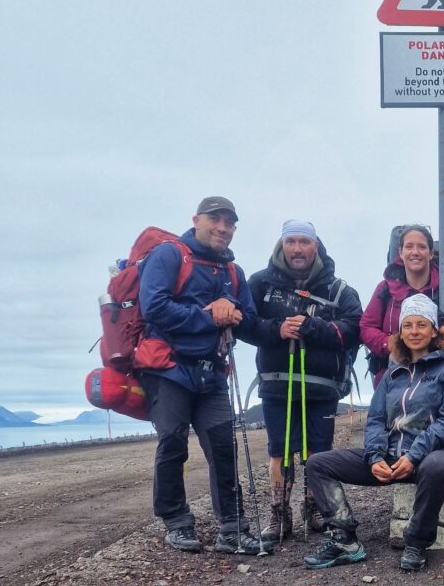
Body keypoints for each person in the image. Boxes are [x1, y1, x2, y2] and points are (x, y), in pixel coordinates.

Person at [303, 294, 444, 571]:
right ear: (400, 332)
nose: (414, 332)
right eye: (407, 325)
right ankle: (345, 539)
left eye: (422, 325)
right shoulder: (392, 374)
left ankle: (416, 542)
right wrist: (375, 456)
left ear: (434, 331)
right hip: (390, 458)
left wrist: (414, 456)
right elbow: (376, 419)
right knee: (318, 464)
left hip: (429, 458)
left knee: (438, 465)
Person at [137, 196, 263, 554]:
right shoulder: (169, 255)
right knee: (173, 444)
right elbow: (155, 308)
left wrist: (234, 309)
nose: (223, 228)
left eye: (230, 223)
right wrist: (211, 316)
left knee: (223, 448)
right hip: (168, 369)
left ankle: (232, 527)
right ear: (196, 220)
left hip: (212, 375)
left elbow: (249, 321)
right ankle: (176, 522)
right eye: (215, 220)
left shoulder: (234, 273)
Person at [247, 219, 362, 543]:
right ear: (282, 245)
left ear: (316, 245)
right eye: (291, 241)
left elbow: (355, 327)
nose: (297, 249)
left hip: (321, 387)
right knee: (279, 451)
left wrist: (312, 327)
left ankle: (315, 508)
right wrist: (276, 329)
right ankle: (278, 513)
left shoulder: (338, 289)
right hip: (276, 384)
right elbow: (245, 324)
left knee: (318, 451)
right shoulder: (260, 284)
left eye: (304, 242)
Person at [360, 224, 444, 388]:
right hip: (392, 378)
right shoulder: (385, 288)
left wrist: (442, 341)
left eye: (422, 247)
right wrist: (391, 344)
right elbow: (367, 326)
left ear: (431, 254)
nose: (415, 252)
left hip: (437, 379)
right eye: (409, 246)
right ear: (400, 253)